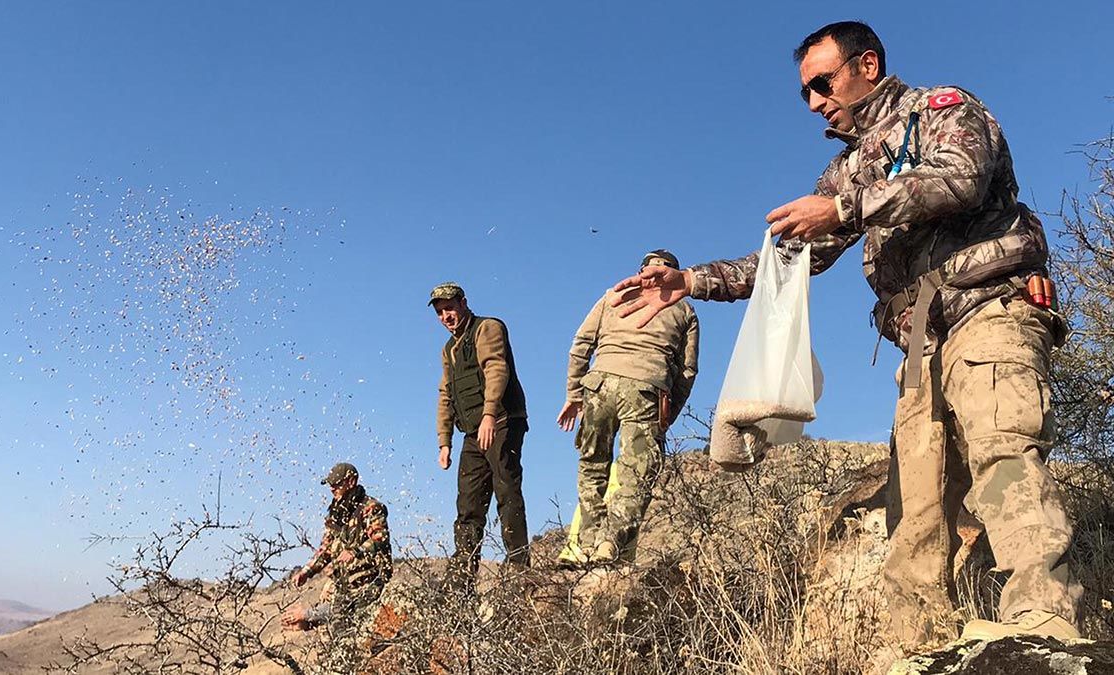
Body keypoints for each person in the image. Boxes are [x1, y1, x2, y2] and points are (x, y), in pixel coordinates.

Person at [611, 21, 1081, 647]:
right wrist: (691, 282)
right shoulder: (848, 166)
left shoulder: (941, 109)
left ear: (867, 63)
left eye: (822, 83)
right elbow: (788, 260)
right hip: (920, 342)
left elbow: (961, 177)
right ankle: (922, 646)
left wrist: (845, 208)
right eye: (805, 91)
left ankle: (1044, 628)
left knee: (1003, 456)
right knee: (915, 504)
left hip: (990, 310)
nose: (814, 103)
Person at [556, 250, 699, 566]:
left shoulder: (614, 295)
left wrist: (574, 394)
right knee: (637, 473)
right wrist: (667, 415)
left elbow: (580, 345)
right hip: (647, 389)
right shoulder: (684, 309)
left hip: (599, 385)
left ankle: (584, 546)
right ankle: (610, 544)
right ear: (673, 273)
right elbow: (688, 371)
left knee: (593, 465)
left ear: (643, 269)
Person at [430, 282, 530, 583]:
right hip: (472, 432)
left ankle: (518, 569)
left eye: (449, 308)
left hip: (501, 420)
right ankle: (462, 578)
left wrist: (489, 414)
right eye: (439, 312)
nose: (446, 316)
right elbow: (445, 394)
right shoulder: (449, 350)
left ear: (463, 303)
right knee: (468, 505)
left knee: (506, 490)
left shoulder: (487, 328)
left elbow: (497, 369)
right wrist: (444, 442)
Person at [287, 462, 392, 663]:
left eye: (337, 484)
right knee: (338, 639)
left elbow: (380, 539)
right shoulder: (336, 514)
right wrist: (307, 572)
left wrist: (355, 551)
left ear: (351, 482)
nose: (332, 489)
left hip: (370, 582)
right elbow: (325, 548)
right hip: (344, 585)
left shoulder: (372, 508)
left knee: (354, 630)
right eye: (331, 485)